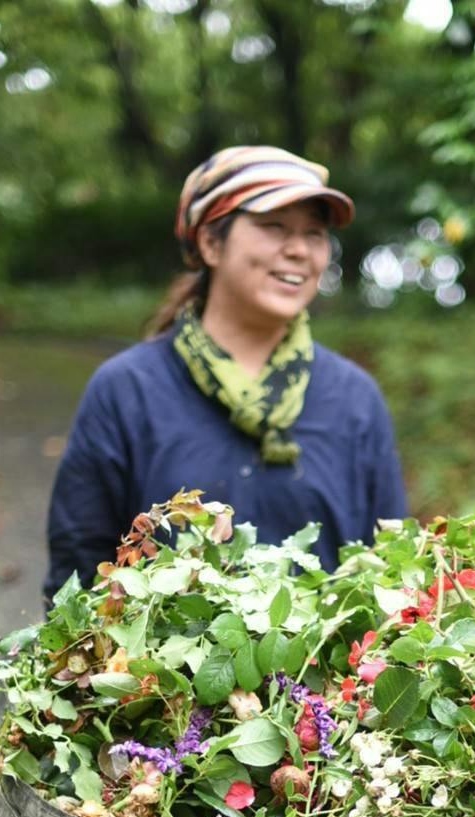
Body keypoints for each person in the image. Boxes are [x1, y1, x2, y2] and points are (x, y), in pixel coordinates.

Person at [43, 146, 407, 601]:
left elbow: (391, 570)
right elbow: (76, 579)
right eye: (274, 227)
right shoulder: (126, 391)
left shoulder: (355, 399)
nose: (299, 250)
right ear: (210, 244)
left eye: (314, 233)